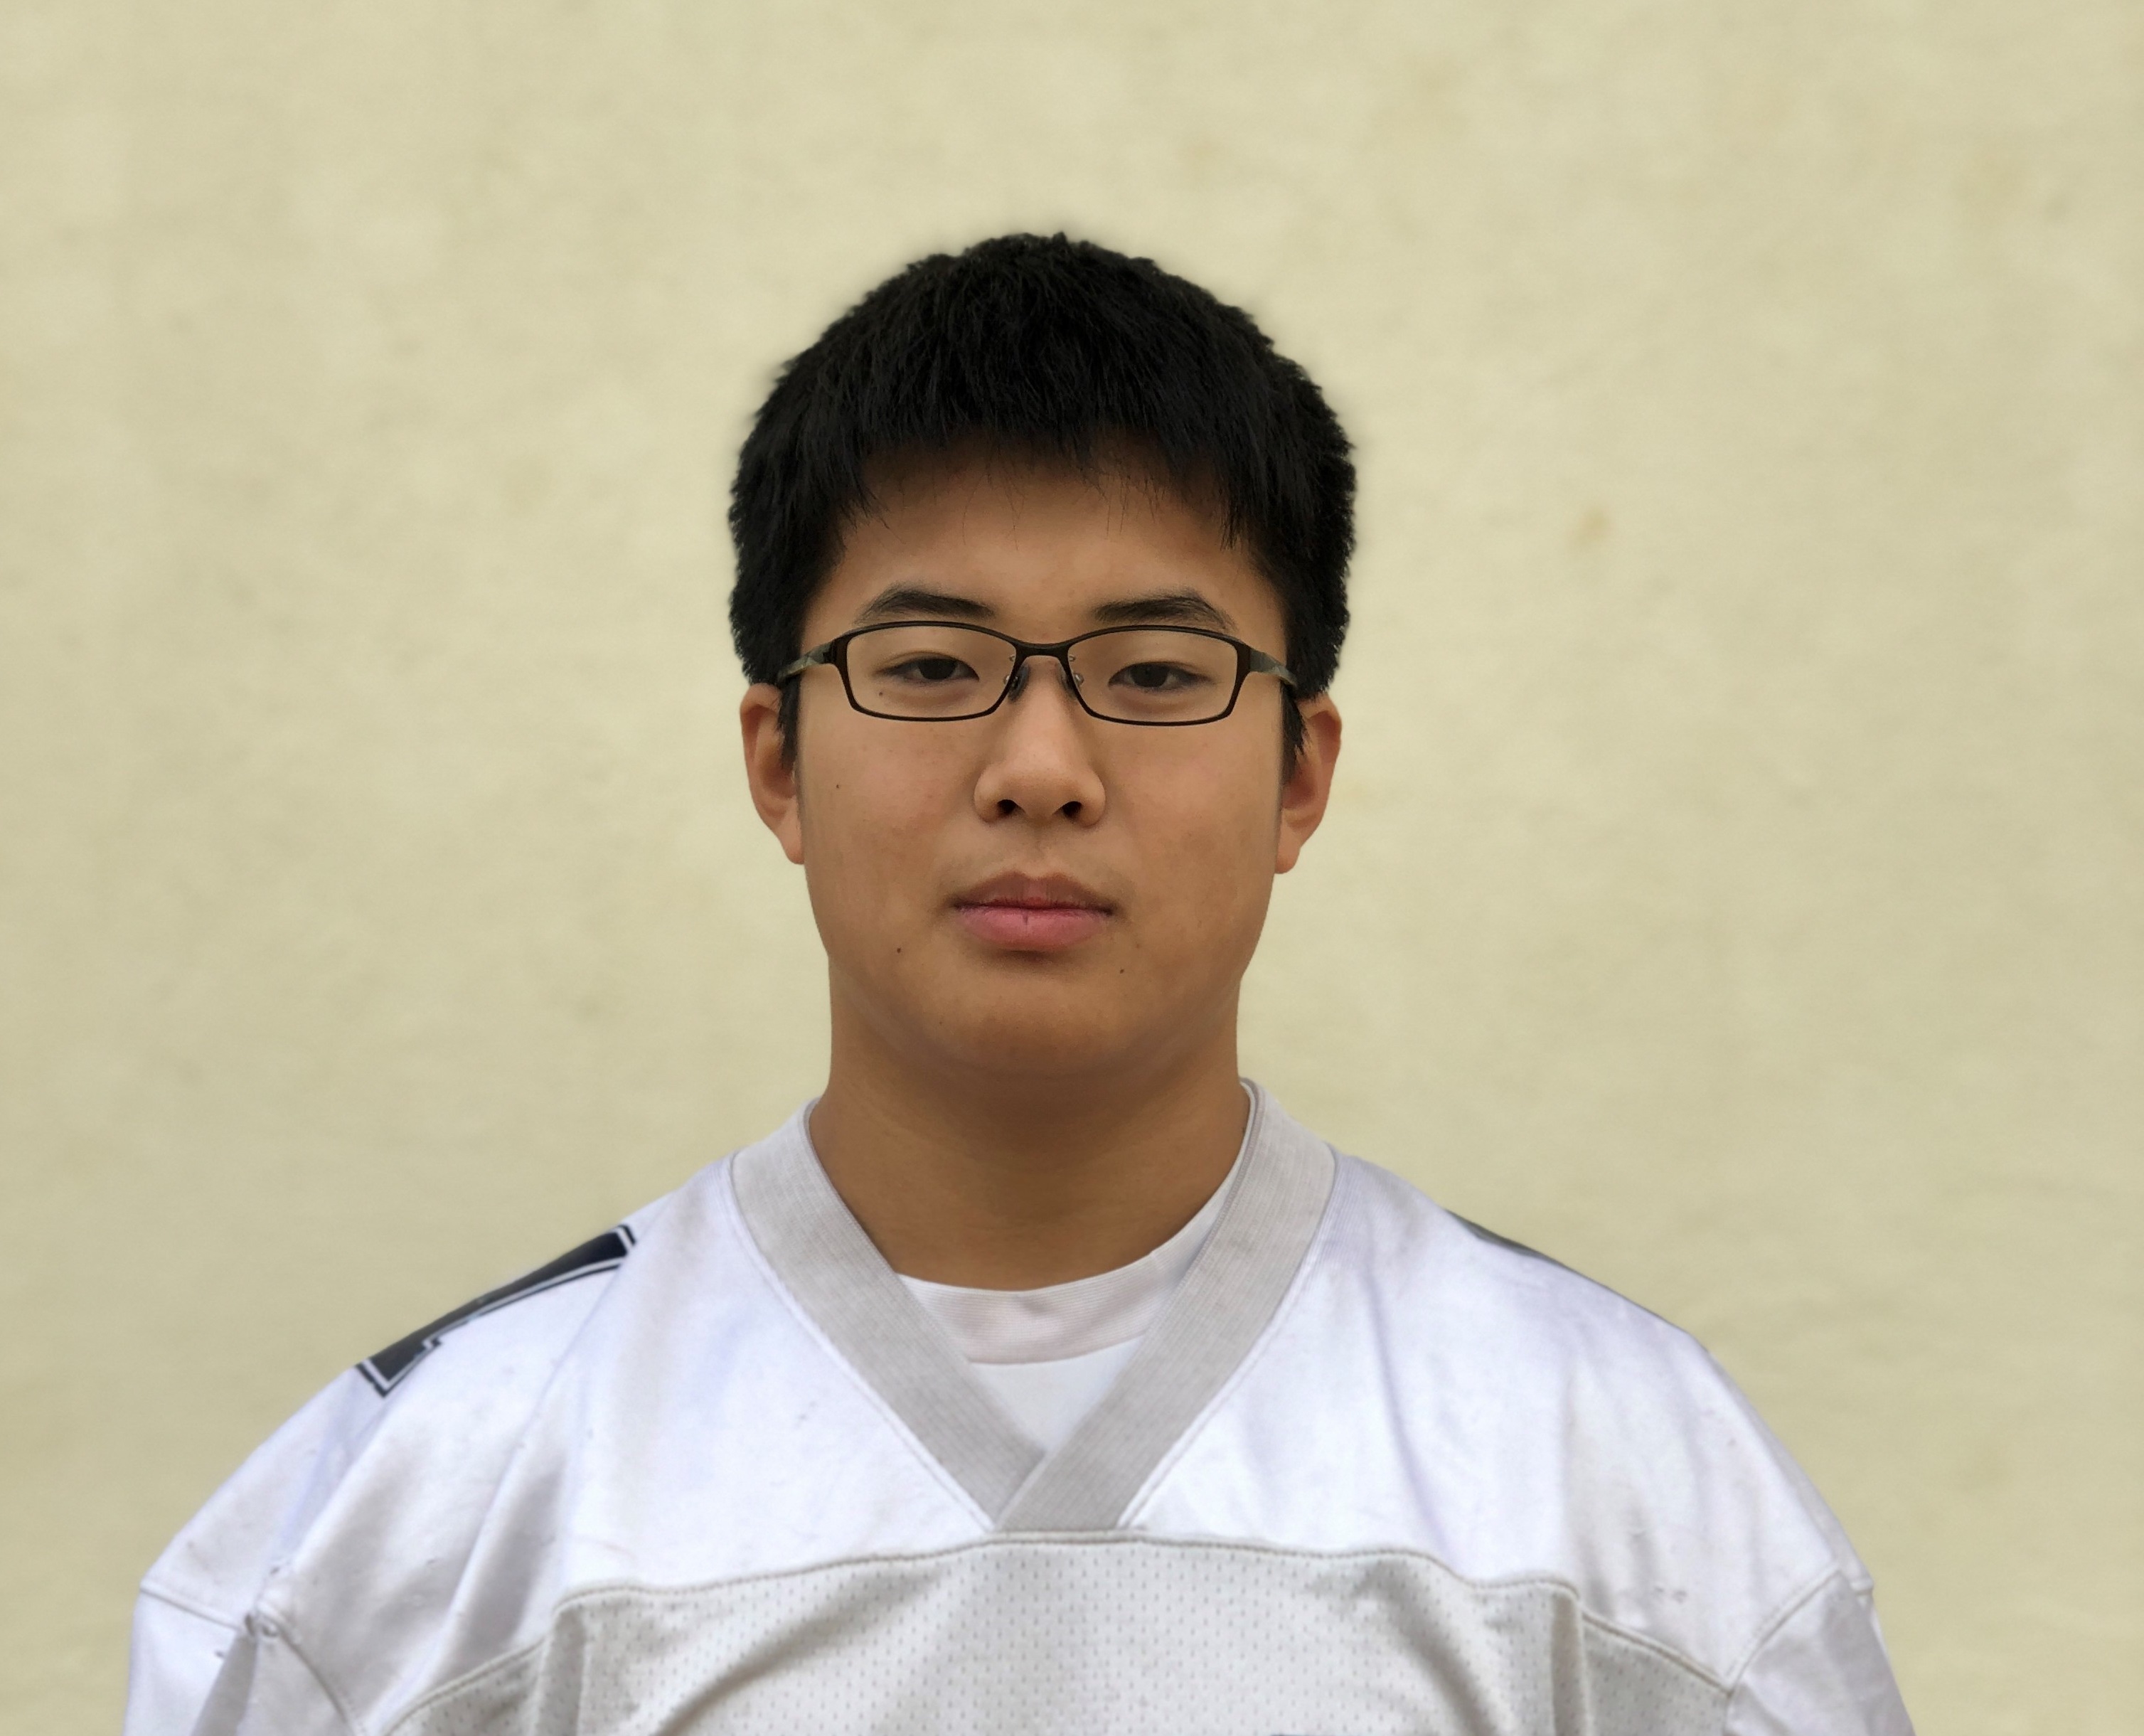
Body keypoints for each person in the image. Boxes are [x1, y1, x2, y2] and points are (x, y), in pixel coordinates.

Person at [124, 234, 1914, 1735]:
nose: (1040, 766)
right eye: (929, 666)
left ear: (1298, 774)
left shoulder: (1617, 1476)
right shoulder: (421, 1515)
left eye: (1154, 674)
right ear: (777, 762)